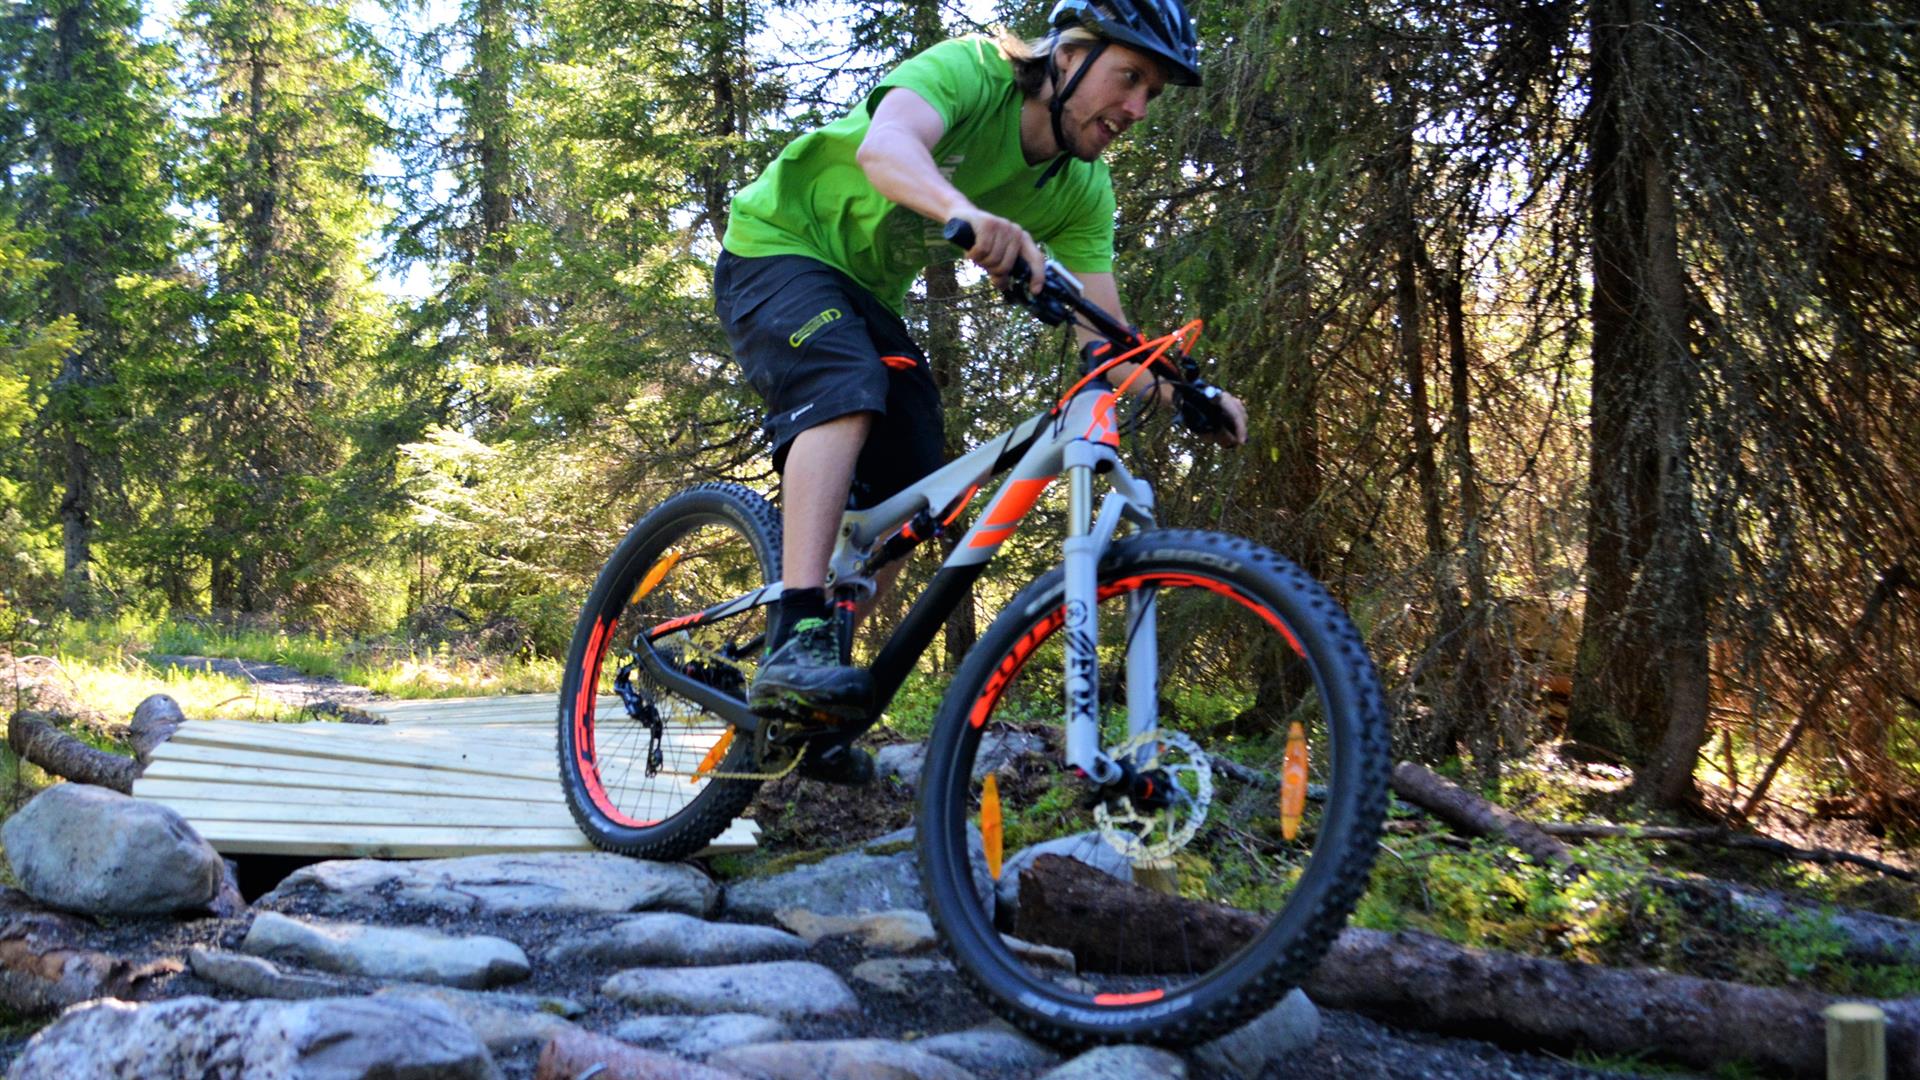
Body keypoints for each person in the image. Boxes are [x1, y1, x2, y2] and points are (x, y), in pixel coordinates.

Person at [712, 0, 1249, 777]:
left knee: (914, 475)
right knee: (844, 380)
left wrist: (1188, 394)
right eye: (1129, 77)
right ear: (1068, 55)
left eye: (1151, 95)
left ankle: (815, 699)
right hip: (777, 249)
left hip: (865, 289)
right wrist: (966, 212)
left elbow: (1109, 341)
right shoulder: (972, 71)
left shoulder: (1082, 190)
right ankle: (798, 630)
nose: (1136, 108)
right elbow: (886, 149)